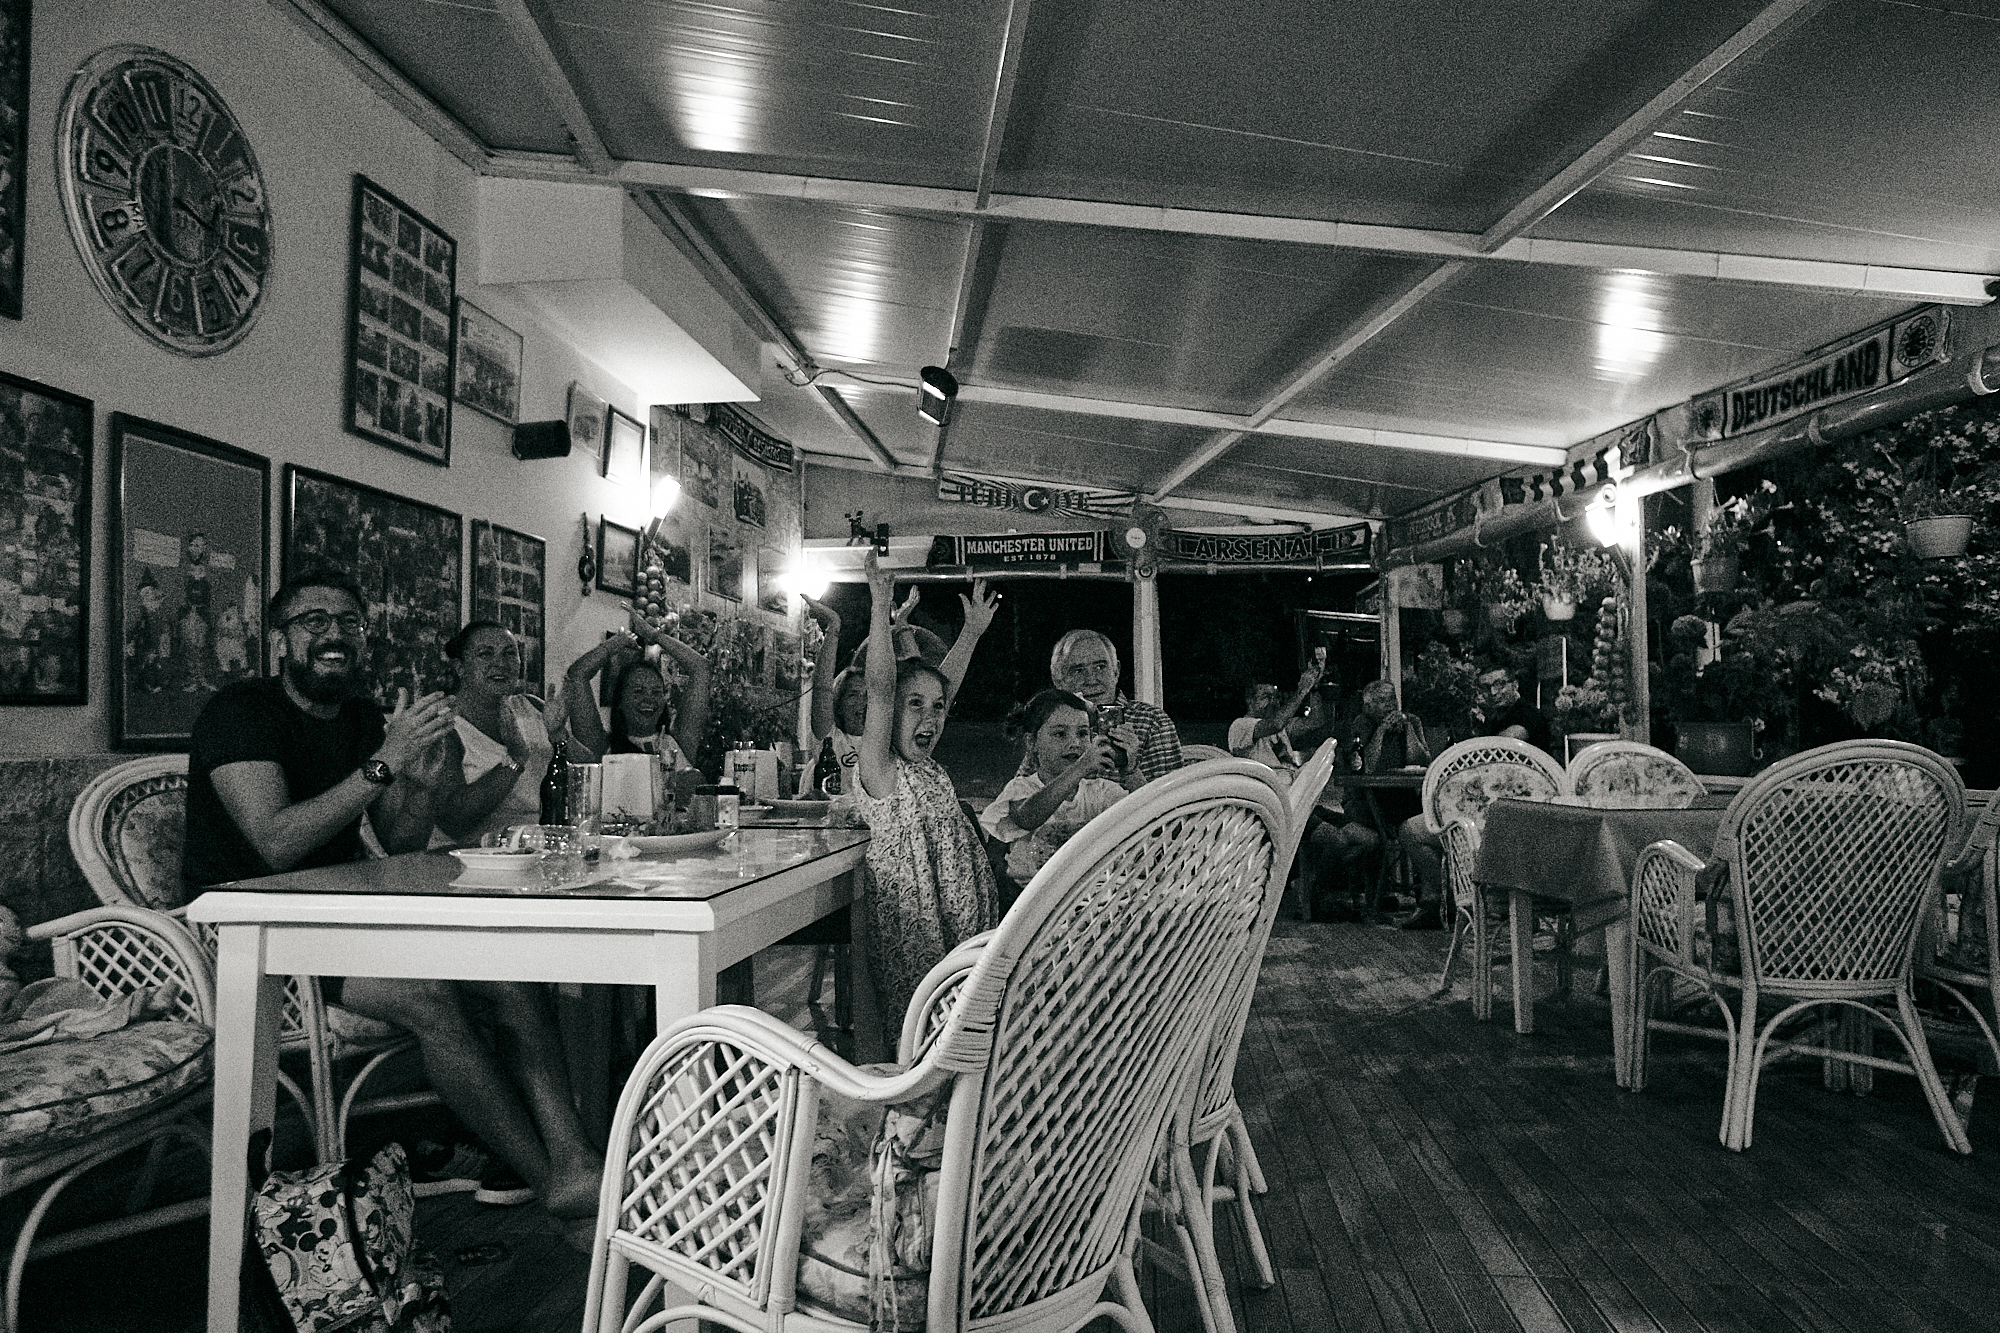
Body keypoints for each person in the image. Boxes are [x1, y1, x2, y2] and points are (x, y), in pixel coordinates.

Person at [182, 569, 604, 1223]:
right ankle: (547, 1178)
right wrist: (383, 764)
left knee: (508, 972)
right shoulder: (241, 712)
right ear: (280, 641)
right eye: (313, 621)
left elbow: (399, 839)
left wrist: (423, 786)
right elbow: (274, 843)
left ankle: (576, 1163)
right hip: (250, 931)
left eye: (348, 621)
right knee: (431, 994)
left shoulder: (360, 717)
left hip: (339, 913)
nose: (334, 633)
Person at [848, 550, 999, 1040]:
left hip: (962, 933)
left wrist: (971, 633)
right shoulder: (882, 769)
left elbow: (944, 686)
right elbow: (880, 686)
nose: (930, 717)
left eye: (937, 709)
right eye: (914, 704)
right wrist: (879, 605)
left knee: (969, 1032)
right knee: (921, 1035)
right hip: (916, 934)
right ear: (888, 713)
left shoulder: (930, 769)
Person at [808, 580, 999, 795]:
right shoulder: (832, 738)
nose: (863, 701)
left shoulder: (898, 741)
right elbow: (822, 688)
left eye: (869, 695)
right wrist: (834, 628)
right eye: (853, 694)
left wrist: (970, 633)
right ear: (838, 702)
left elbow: (926, 685)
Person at [430, 620, 556, 846]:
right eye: (485, 654)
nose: (500, 663)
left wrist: (559, 736)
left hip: (534, 848)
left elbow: (587, 769)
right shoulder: (444, 725)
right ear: (460, 667)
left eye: (509, 653)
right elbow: (453, 821)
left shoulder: (531, 706)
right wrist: (515, 759)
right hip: (468, 856)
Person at [981, 689, 1127, 884]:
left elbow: (1152, 821)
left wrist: (1131, 769)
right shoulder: (1022, 788)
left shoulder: (1101, 792)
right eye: (1060, 734)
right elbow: (1027, 818)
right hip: (1033, 893)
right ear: (1032, 742)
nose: (1075, 743)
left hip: (1091, 891)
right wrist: (1080, 767)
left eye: (1083, 733)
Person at [562, 608, 712, 775]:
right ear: (620, 700)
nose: (649, 698)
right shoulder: (601, 745)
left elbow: (701, 669)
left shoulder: (680, 741)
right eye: (638, 691)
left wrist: (655, 635)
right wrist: (614, 644)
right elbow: (577, 675)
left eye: (656, 692)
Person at [1344, 680, 1442, 928]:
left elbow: (1423, 761)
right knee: (1378, 828)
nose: (1389, 706)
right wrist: (1381, 731)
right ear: (1368, 706)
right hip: (1367, 798)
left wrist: (1408, 730)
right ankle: (1382, 896)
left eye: (1392, 699)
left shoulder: (1412, 721)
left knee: (1431, 818)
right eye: (1381, 701)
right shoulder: (1362, 723)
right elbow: (1367, 766)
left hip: (1403, 795)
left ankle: (1431, 898)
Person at [1043, 629, 1181, 784]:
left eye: (1100, 667)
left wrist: (1131, 770)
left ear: (1116, 672)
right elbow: (1025, 792)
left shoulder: (1152, 722)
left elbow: (1171, 796)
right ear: (1058, 681)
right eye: (1079, 671)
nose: (1091, 680)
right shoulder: (1048, 724)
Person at [1227, 667, 1322, 787]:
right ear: (1250, 700)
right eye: (1266, 697)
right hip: (1266, 791)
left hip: (1290, 785)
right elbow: (1276, 724)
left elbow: (1315, 721)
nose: (1273, 702)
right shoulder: (1240, 725)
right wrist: (1302, 690)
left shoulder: (1281, 726)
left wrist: (1314, 688)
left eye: (1275, 697)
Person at [1472, 665, 1553, 753]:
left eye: (1499, 684)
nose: (1493, 692)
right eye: (1486, 687)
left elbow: (1504, 744)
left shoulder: (1528, 712)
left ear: (1515, 685)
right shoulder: (1493, 717)